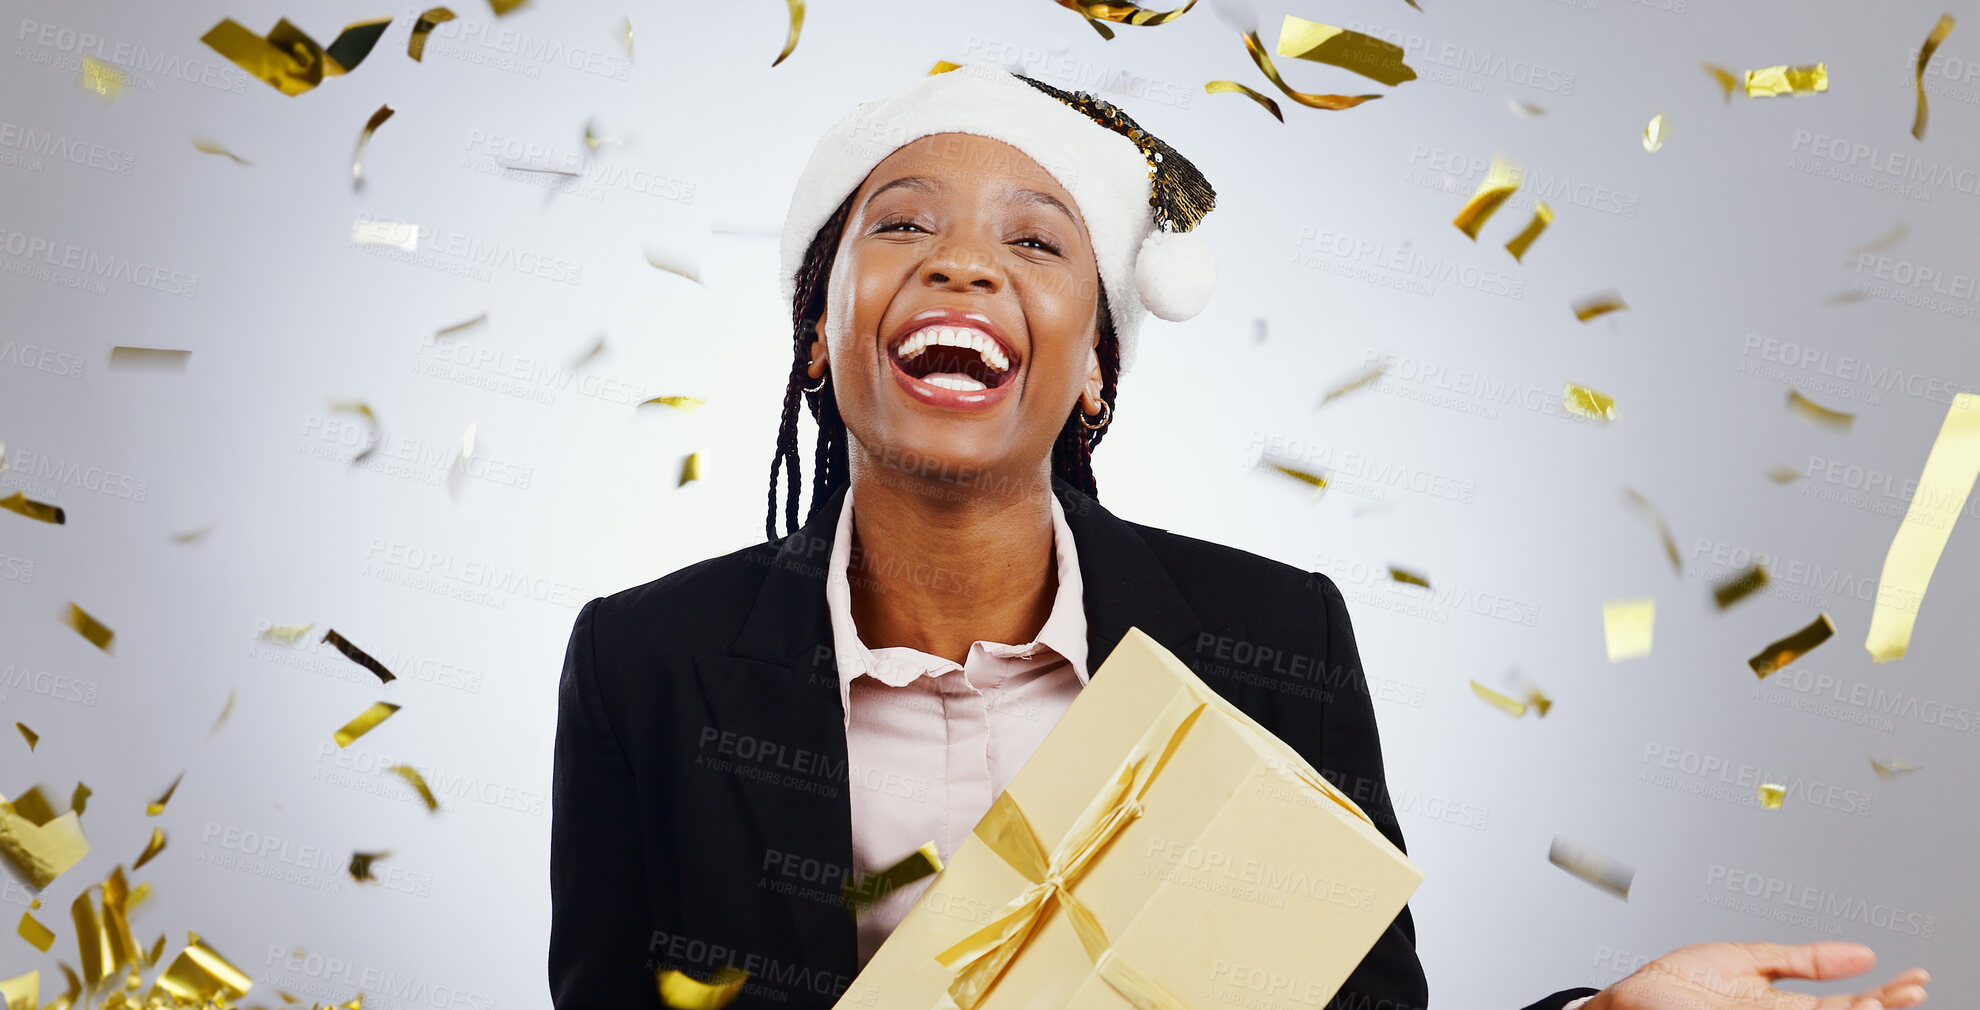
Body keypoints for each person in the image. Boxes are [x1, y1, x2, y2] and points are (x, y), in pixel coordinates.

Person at [549, 65, 1933, 1010]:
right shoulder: (643, 663)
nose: (962, 262)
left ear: (1094, 367)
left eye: (1037, 243)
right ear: (817, 333)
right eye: (900, 224)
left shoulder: (1274, 640)